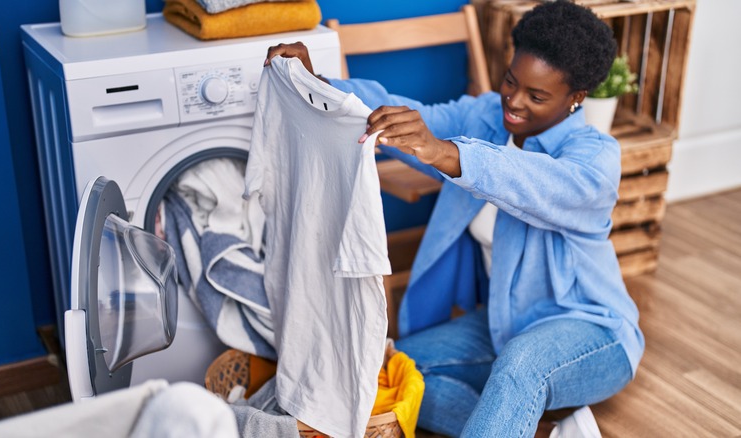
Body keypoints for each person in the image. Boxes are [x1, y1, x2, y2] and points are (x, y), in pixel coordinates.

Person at [264, 1, 643, 436]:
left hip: (593, 333)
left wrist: (444, 151)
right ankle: (534, 428)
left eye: (536, 96)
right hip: (502, 324)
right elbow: (405, 112)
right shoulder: (485, 117)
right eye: (510, 82)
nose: (514, 102)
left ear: (577, 98)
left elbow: (532, 182)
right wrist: (321, 83)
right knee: (394, 371)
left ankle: (513, 411)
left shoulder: (594, 159)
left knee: (522, 364)